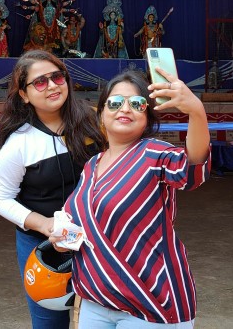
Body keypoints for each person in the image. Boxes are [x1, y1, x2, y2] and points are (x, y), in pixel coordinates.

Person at [51, 69, 211, 327]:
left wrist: (196, 111)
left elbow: (192, 169)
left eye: (137, 104)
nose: (125, 109)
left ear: (146, 118)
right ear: (101, 112)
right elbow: (83, 225)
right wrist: (62, 240)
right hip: (95, 299)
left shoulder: (155, 153)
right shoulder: (92, 165)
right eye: (115, 103)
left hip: (151, 303)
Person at [0, 50, 106, 329]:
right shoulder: (18, 143)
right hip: (42, 246)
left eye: (57, 77)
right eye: (40, 82)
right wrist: (44, 224)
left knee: (101, 316)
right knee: (48, 322)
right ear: (24, 94)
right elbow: (0, 199)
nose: (53, 85)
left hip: (98, 241)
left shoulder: (93, 121)